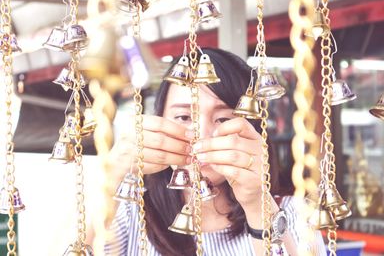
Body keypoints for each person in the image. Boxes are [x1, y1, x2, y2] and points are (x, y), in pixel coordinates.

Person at [105, 48, 326, 256]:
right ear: (158, 121)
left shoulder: (292, 213)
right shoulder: (129, 208)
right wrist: (111, 175)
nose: (202, 134)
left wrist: (257, 203)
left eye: (223, 119)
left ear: (253, 130)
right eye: (183, 117)